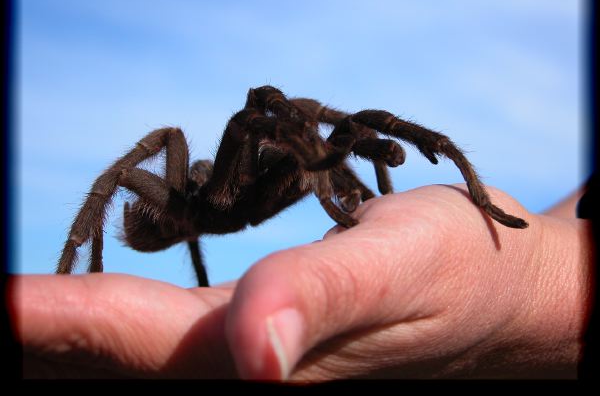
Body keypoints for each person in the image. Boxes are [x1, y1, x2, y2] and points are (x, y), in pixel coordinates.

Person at [10, 183, 594, 379]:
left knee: (297, 114)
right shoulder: (188, 186)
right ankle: (73, 274)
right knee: (162, 138)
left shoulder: (285, 163)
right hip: (169, 215)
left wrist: (538, 277)